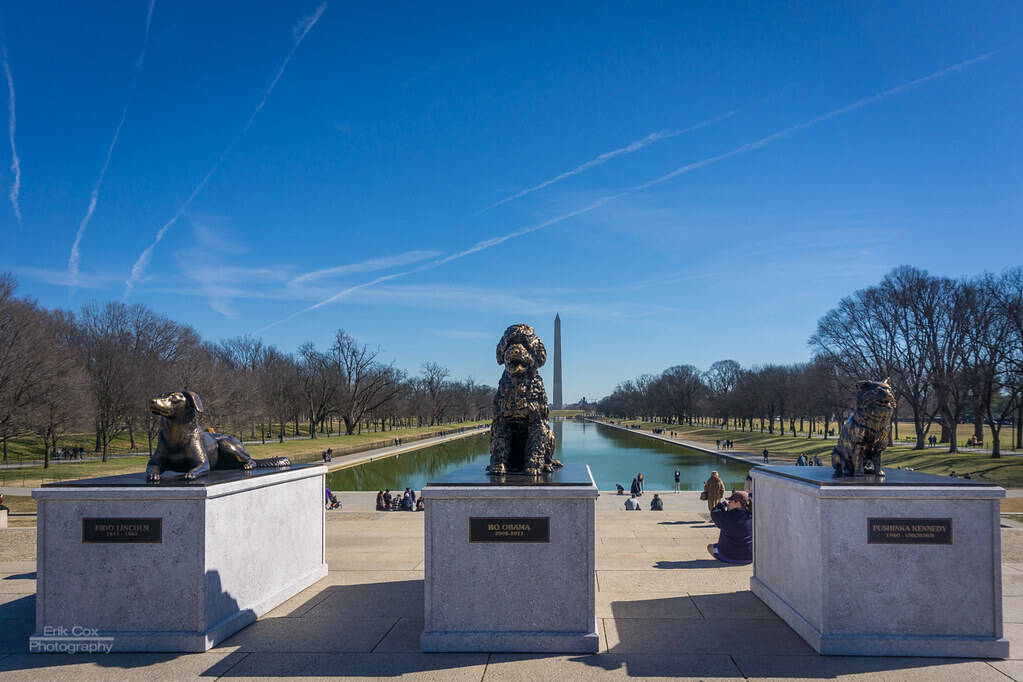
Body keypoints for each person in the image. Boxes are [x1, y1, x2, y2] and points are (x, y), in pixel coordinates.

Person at [707, 490, 752, 565]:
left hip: (729, 556)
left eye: (730, 501)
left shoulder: (727, 516)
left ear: (737, 503)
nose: (728, 503)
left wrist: (722, 505)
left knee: (710, 547)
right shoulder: (751, 516)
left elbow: (714, 512)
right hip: (749, 557)